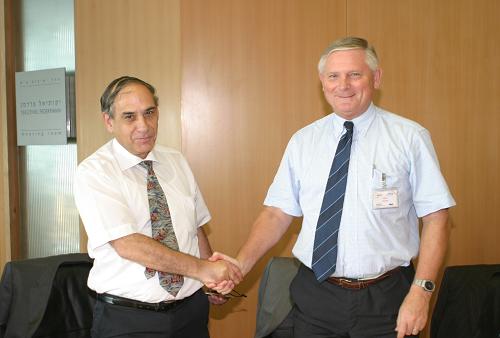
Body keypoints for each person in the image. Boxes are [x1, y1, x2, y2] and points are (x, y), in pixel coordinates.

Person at [210, 37, 455, 338]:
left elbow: (437, 218)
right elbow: (276, 214)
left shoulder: (410, 138)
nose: (344, 85)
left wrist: (422, 292)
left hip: (387, 298)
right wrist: (239, 266)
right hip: (317, 296)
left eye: (355, 74)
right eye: (333, 76)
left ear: (376, 78)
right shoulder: (303, 141)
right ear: (322, 83)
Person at [74, 76, 242, 338]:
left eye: (149, 113)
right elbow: (128, 244)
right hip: (129, 320)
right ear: (109, 122)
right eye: (130, 117)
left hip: (190, 314)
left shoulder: (176, 161)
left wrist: (210, 282)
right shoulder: (95, 172)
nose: (144, 126)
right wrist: (202, 269)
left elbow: (194, 227)